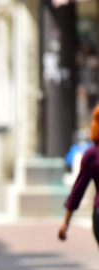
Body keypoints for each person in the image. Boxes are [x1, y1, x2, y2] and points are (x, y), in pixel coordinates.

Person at [59, 105, 99, 246]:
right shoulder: (92, 154)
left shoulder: (92, 154)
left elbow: (78, 189)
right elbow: (78, 189)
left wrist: (66, 222)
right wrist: (66, 223)